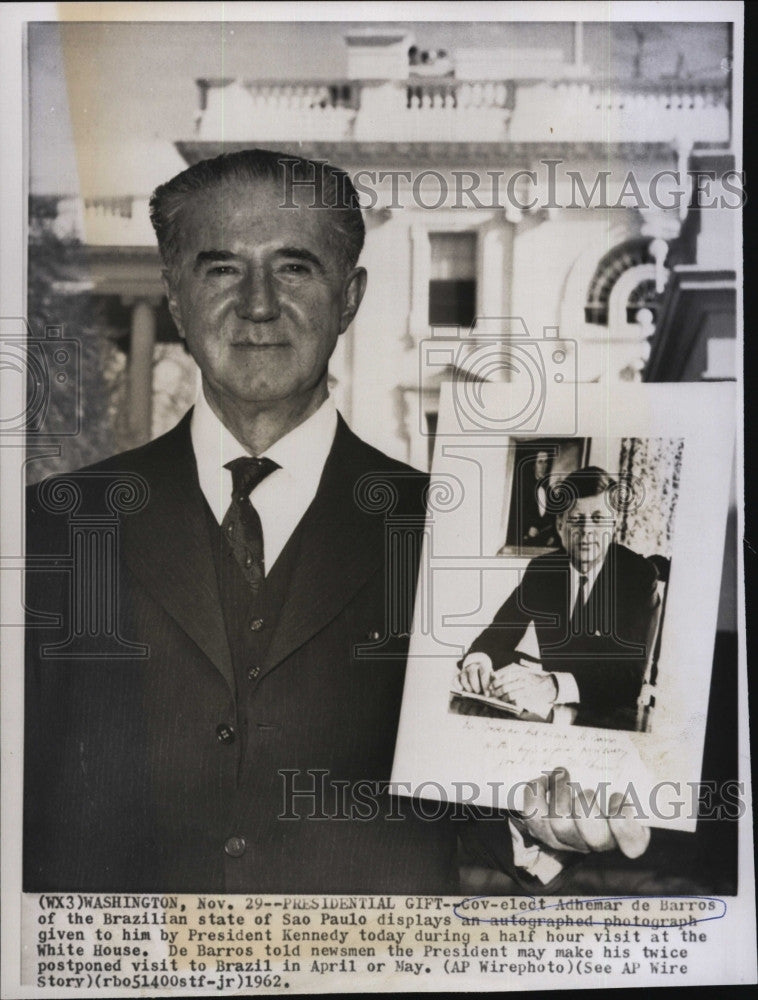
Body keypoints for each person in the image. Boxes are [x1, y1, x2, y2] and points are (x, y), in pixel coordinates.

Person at [24, 150, 648, 894]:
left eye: (295, 269)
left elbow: (479, 789)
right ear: (176, 296)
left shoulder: (443, 532)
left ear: (349, 298)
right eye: (221, 268)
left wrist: (537, 818)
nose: (258, 304)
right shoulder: (52, 531)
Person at [459, 466, 661, 729]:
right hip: (550, 717)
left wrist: (554, 685)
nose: (586, 531)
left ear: (613, 525)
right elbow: (497, 634)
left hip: (611, 722)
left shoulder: (637, 575)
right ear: (560, 525)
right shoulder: (542, 572)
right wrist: (478, 662)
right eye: (576, 519)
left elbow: (629, 677)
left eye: (598, 519)